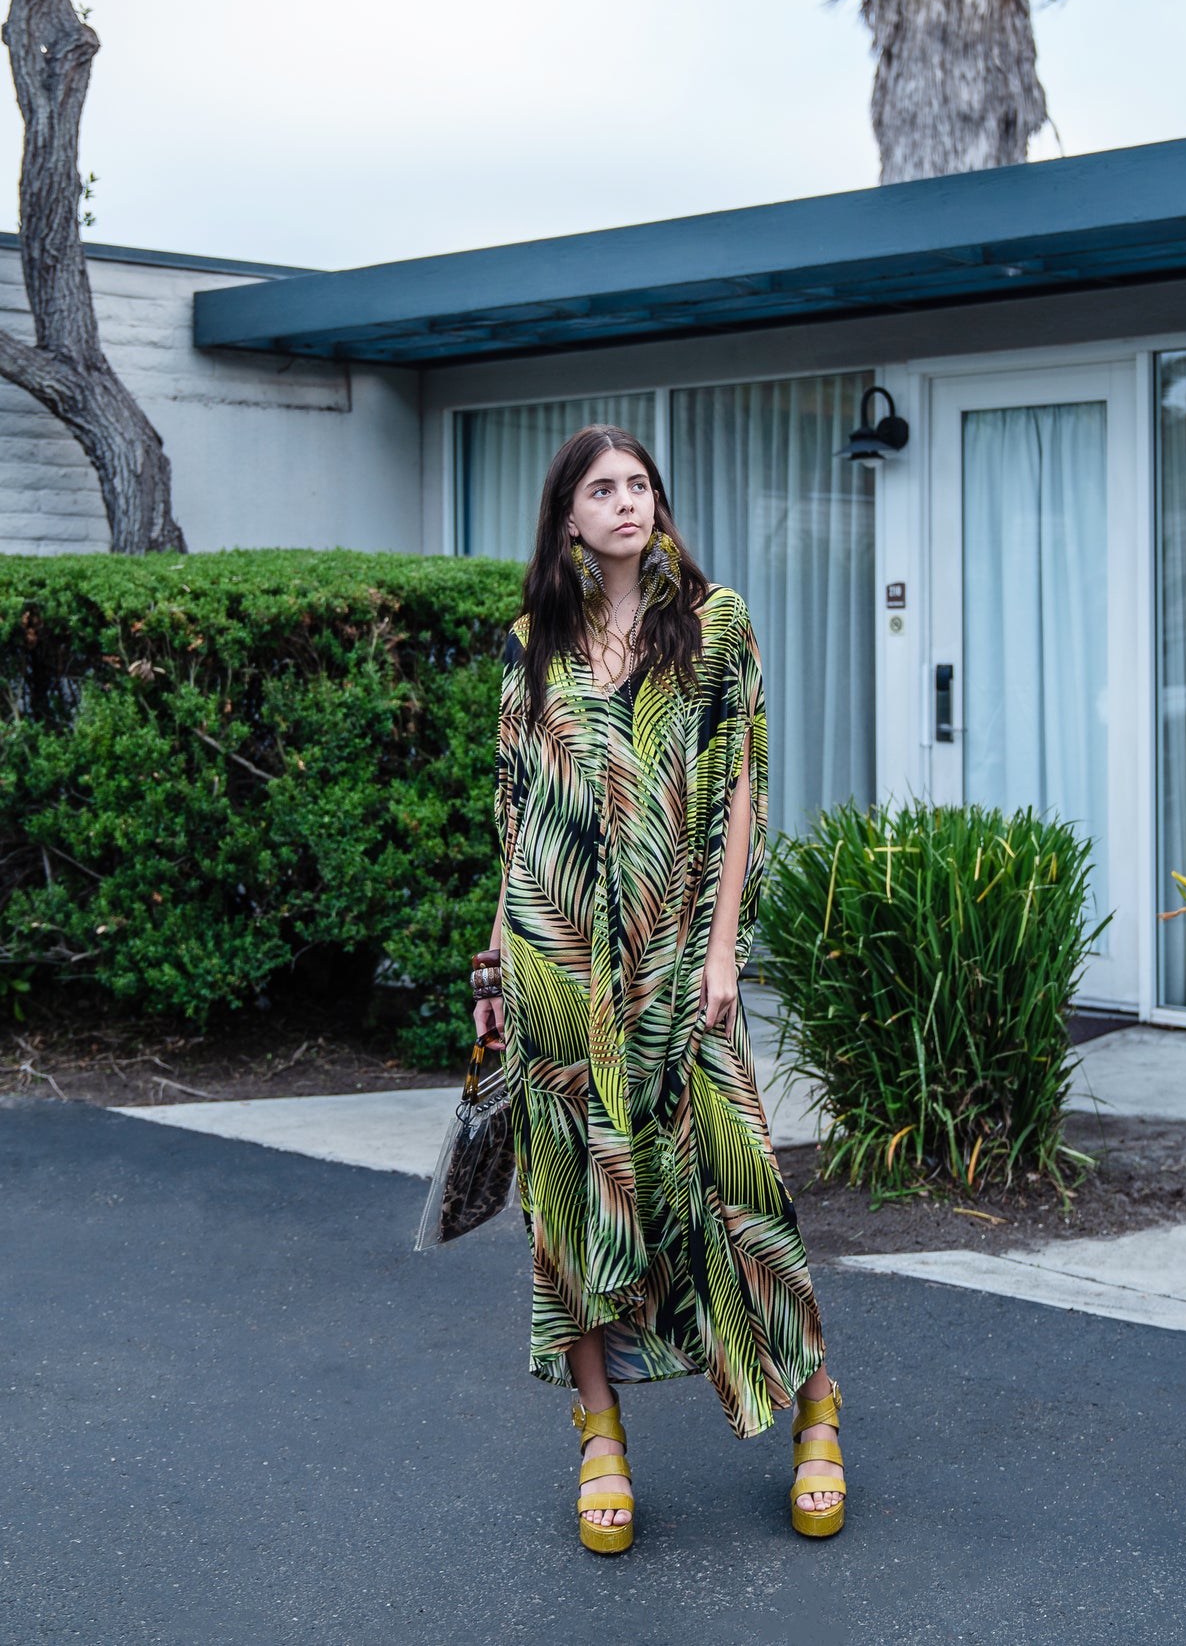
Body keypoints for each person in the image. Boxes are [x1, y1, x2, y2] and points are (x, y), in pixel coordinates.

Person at [469, 425, 847, 1555]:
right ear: (568, 520)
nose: (627, 503)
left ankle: (814, 1404)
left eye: (639, 485)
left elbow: (739, 793)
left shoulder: (714, 625)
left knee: (736, 1179)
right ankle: (599, 1434)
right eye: (602, 489)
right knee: (569, 1204)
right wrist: (494, 964)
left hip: (680, 956)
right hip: (556, 964)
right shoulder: (532, 643)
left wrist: (726, 949)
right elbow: (513, 817)